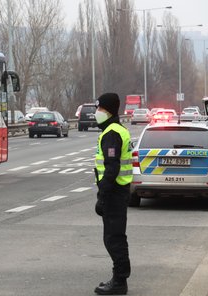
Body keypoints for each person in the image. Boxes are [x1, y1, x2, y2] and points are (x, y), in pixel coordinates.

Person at [93, 93, 133, 295]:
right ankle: (119, 278)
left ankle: (119, 281)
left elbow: (111, 168)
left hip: (114, 193)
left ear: (107, 110)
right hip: (118, 192)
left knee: (114, 238)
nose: (96, 113)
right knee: (114, 236)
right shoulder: (116, 130)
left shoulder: (112, 134)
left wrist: (102, 197)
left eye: (99, 109)